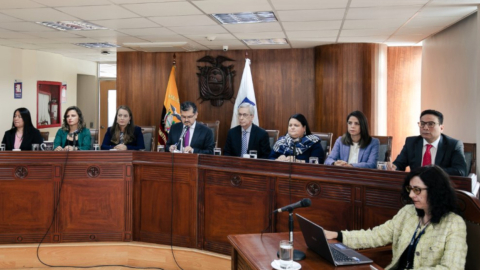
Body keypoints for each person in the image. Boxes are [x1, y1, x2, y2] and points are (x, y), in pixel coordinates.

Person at [324, 165, 467, 269]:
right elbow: (376, 235)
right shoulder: (408, 212)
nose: (411, 195)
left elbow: (451, 268)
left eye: (417, 190)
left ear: (435, 191)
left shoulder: (454, 223)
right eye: (410, 189)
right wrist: (337, 235)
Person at [391, 109, 467, 176]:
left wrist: (431, 172)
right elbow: (399, 164)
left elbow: (460, 171)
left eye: (431, 124)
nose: (425, 128)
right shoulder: (411, 142)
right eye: (422, 124)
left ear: (441, 128)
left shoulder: (453, 145)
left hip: (439, 186)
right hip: (416, 186)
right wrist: (393, 167)